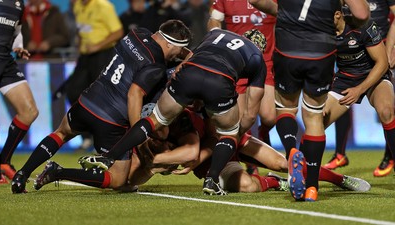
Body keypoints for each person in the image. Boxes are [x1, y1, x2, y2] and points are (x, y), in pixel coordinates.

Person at [78, 27, 268, 196]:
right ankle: (211, 181)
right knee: (229, 133)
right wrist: (238, 131)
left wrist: (179, 73)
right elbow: (251, 113)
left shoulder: (215, 34)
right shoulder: (257, 58)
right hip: (218, 83)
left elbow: (189, 57)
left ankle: (109, 156)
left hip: (189, 75)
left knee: (154, 120)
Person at [10, 20, 192, 193]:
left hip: (88, 101)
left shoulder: (136, 34)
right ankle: (59, 172)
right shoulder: (156, 67)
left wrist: (186, 54)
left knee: (60, 133)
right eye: (179, 50)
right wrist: (137, 133)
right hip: (111, 120)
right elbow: (134, 93)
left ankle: (22, 174)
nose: (178, 55)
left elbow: (157, 46)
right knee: (119, 179)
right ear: (170, 44)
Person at [34, 106, 371, 194]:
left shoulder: (185, 122)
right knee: (250, 186)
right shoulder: (153, 127)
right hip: (209, 163)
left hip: (230, 144)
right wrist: (150, 163)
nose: (155, 131)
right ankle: (60, 172)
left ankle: (336, 179)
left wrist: (158, 160)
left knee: (284, 162)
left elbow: (192, 153)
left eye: (158, 127)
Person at [269, 0, 369, 201]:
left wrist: (285, 13)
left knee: (286, 108)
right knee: (314, 117)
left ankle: (291, 152)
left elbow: (255, 1)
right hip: (321, 50)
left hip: (288, 46)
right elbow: (361, 13)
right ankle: (312, 189)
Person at [324, 0, 395, 178]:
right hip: (345, 78)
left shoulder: (363, 25)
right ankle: (303, 172)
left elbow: (382, 63)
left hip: (373, 73)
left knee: (386, 111)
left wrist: (360, 89)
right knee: (316, 121)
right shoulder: (322, 31)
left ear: (338, 15)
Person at [207, 0, 277, 176]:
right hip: (236, 64)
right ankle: (245, 160)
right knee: (237, 122)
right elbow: (214, 19)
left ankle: (263, 134)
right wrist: (215, 32)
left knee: (269, 118)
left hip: (265, 63)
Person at [66, 0, 124, 152]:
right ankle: (86, 137)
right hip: (86, 57)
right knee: (73, 91)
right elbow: (82, 29)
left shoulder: (103, 6)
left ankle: (104, 138)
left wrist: (97, 45)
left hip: (103, 55)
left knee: (102, 97)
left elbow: (118, 32)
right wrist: (80, 44)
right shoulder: (77, 5)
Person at [0, 0, 39, 183]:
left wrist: (17, 46)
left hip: (5, 60)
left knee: (29, 112)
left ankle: (4, 161)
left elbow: (17, 30)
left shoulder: (19, 4)